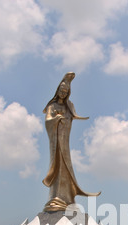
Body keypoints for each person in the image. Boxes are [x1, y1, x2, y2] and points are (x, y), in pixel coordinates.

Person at [42, 73, 100, 212]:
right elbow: (48, 121)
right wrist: (57, 119)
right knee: (58, 166)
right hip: (56, 143)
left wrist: (67, 119)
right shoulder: (52, 106)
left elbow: (72, 117)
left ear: (68, 93)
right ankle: (56, 197)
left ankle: (68, 198)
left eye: (65, 92)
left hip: (64, 140)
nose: (63, 93)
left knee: (66, 168)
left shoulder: (69, 106)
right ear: (57, 91)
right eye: (61, 91)